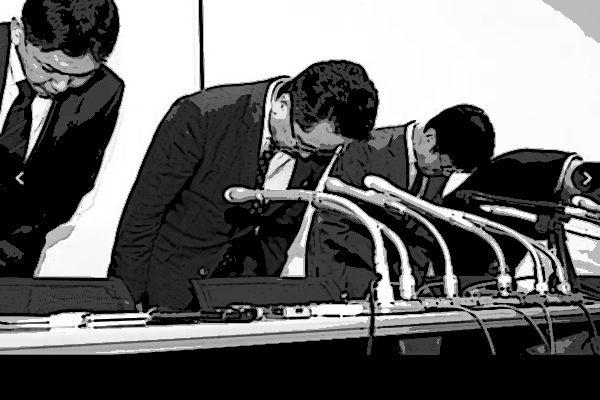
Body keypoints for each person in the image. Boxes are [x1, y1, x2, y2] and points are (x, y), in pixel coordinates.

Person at [110, 60, 379, 310]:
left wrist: (260, 297)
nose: (308, 157)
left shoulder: (318, 141)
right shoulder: (203, 115)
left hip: (239, 300)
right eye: (302, 145)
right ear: (282, 106)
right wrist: (127, 304)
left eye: (322, 152)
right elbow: (143, 217)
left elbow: (281, 229)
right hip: (168, 291)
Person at [307, 104, 496, 299]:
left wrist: (415, 283)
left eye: (452, 171)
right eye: (444, 167)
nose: (444, 175)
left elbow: (422, 229)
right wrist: (372, 278)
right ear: (430, 137)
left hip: (397, 280)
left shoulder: (438, 165)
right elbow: (333, 217)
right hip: (344, 269)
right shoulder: (370, 146)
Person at [0, 0, 123, 274]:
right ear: (18, 32)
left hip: (11, 262)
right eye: (48, 69)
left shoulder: (103, 91)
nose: (60, 85)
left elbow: (67, 191)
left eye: (79, 76)